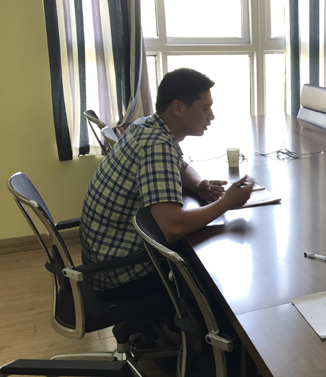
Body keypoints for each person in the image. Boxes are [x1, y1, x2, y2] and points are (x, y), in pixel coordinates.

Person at [80, 67, 254, 298]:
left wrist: (199, 184)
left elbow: (180, 166)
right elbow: (172, 228)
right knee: (219, 280)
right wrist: (226, 203)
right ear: (178, 108)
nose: (211, 116)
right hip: (122, 273)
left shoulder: (146, 127)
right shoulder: (157, 146)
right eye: (205, 108)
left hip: (104, 257)